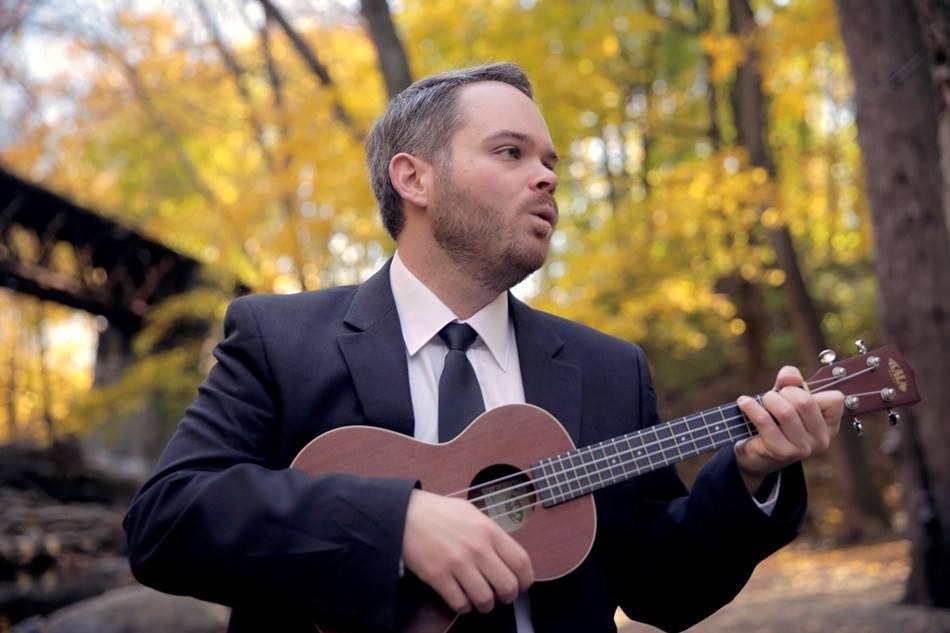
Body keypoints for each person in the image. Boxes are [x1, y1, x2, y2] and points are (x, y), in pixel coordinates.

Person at [124, 63, 844, 633]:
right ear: (415, 179)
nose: (548, 176)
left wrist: (751, 477)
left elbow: (665, 589)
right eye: (511, 152)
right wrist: (395, 521)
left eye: (551, 160)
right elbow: (168, 521)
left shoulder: (608, 368)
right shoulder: (278, 339)